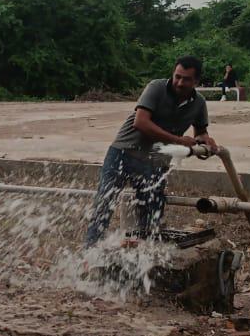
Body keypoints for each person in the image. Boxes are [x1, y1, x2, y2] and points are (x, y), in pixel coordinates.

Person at [85, 56, 216, 247]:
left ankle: (145, 258)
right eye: (177, 76)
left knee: (152, 214)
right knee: (104, 205)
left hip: (155, 163)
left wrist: (205, 140)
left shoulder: (199, 103)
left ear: (196, 82)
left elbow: (201, 132)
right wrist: (179, 140)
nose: (179, 82)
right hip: (124, 152)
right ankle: (90, 253)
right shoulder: (156, 87)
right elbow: (141, 122)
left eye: (186, 79)